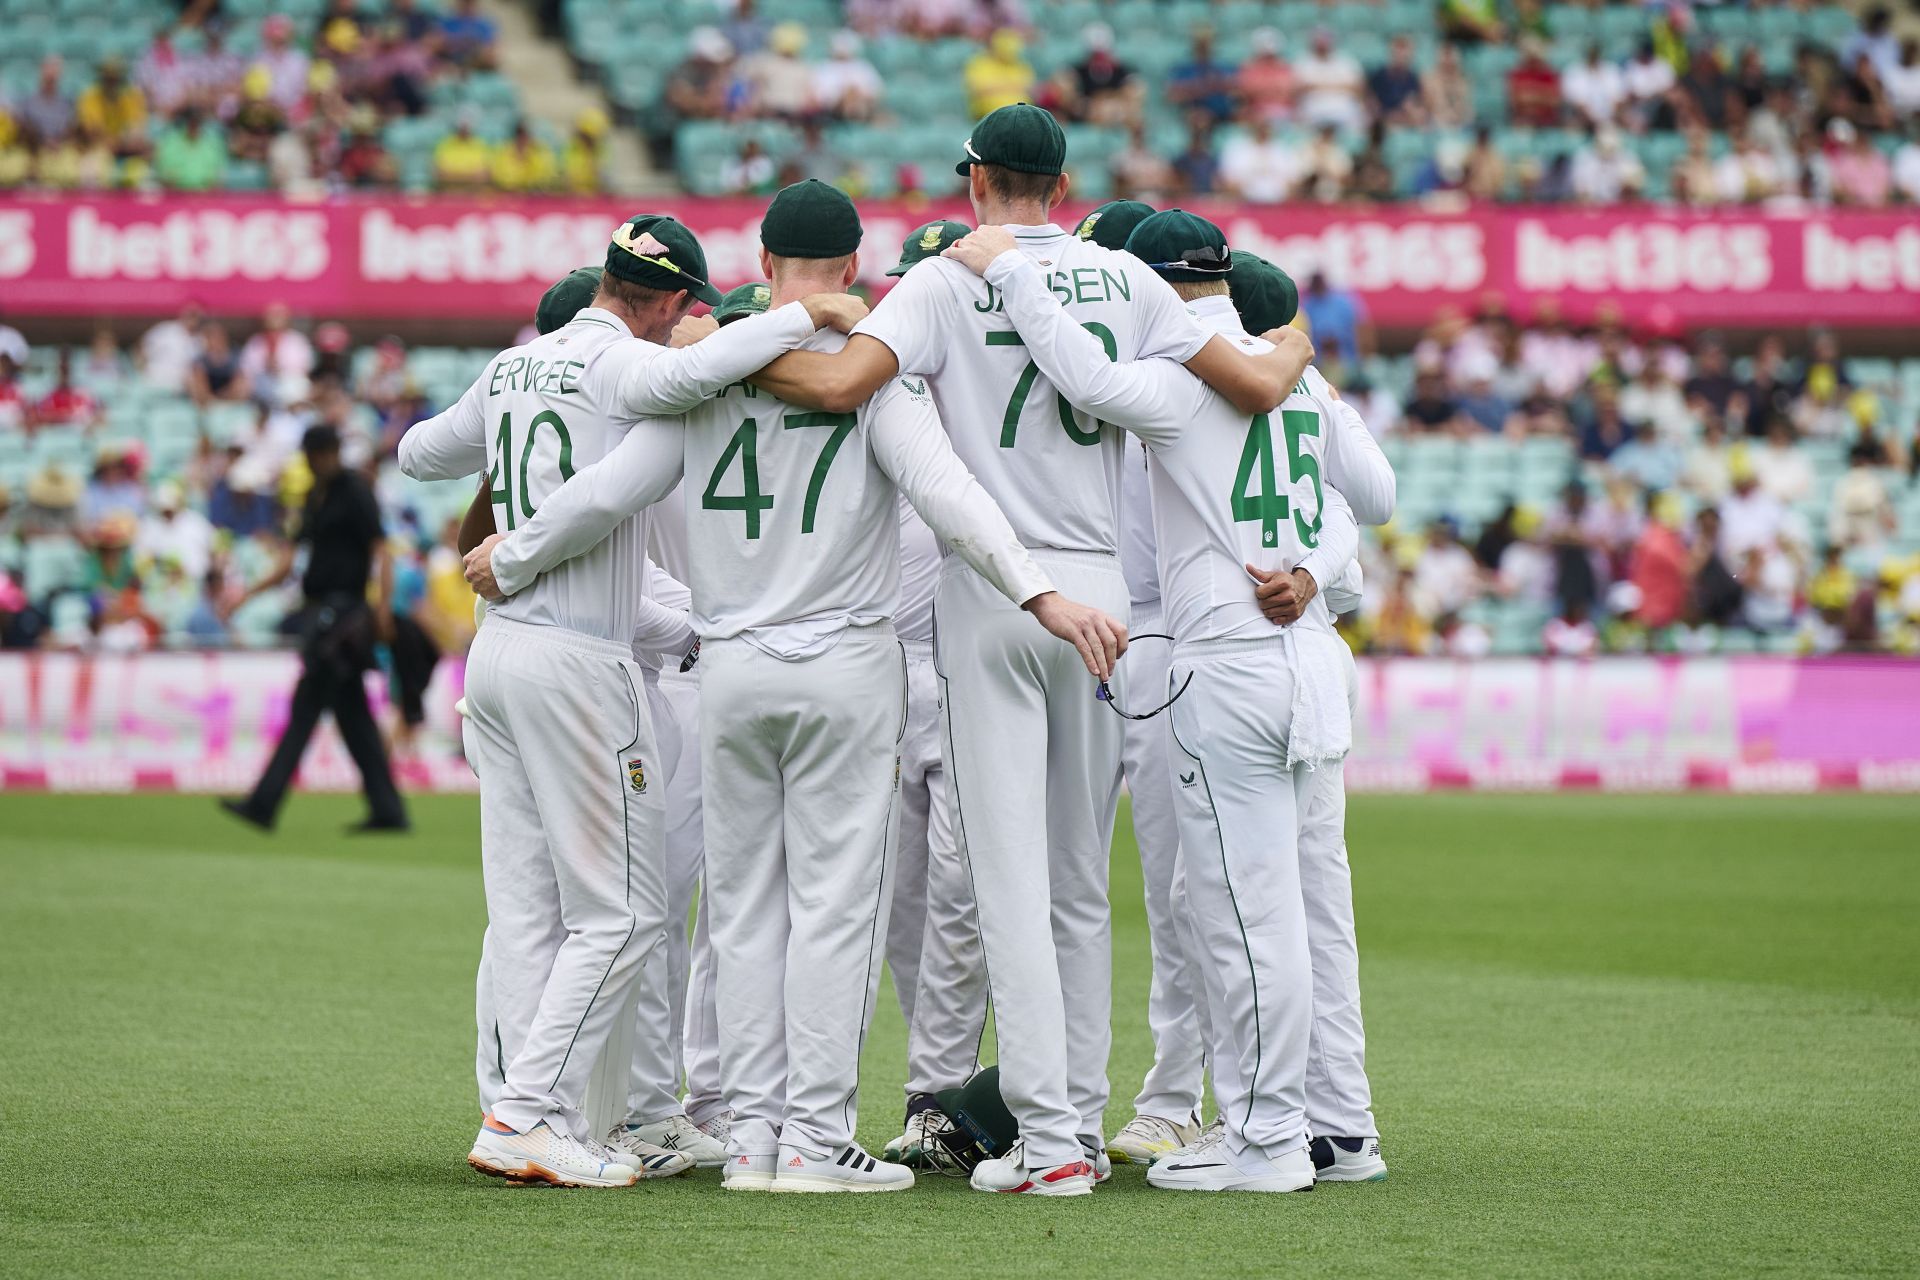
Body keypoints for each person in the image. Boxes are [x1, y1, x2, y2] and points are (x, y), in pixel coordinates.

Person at [465, 183, 1121, 1193]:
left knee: (743, 911)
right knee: (832, 906)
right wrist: (1042, 593)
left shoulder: (704, 380)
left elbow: (601, 493)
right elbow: (951, 497)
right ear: (854, 268)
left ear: (763, 263)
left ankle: (754, 1137)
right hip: (845, 665)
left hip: (728, 666)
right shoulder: (871, 374)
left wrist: (510, 558)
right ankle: (816, 1138)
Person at [744, 105, 1305, 1196]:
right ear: (1061, 182)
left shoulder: (948, 278)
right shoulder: (1127, 280)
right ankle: (1084, 1127)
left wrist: (711, 358)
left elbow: (839, 384)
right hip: (1106, 584)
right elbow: (1249, 386)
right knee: (1080, 885)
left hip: (999, 582)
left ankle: (1047, 1142)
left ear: (975, 182)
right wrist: (1292, 336)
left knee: (1005, 882)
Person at [398, 213, 863, 1188]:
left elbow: (416, 455)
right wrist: (805, 311)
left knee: (529, 914)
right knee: (624, 916)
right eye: (680, 305)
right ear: (658, 298)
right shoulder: (615, 364)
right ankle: (528, 1113)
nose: (678, 324)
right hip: (577, 655)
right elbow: (689, 380)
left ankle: (543, 1114)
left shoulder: (515, 366)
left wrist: (506, 473)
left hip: (498, 658)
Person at [942, 209, 1394, 1189]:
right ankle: (1334, 1123)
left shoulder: (1185, 383)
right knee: (1310, 909)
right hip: (1309, 652)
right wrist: (1314, 573)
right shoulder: (1293, 372)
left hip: (1221, 657)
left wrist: (1015, 278)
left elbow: (1089, 378)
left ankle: (1268, 1136)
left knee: (1239, 911)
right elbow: (1367, 506)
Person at [218, 425, 407, 834]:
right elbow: (289, 560)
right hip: (322, 614)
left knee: (305, 710)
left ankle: (263, 803)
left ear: (325, 453)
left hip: (342, 619)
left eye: (316, 454)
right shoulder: (313, 496)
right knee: (353, 717)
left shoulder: (355, 491)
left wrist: (384, 610)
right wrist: (246, 594)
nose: (314, 461)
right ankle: (388, 810)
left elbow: (381, 551)